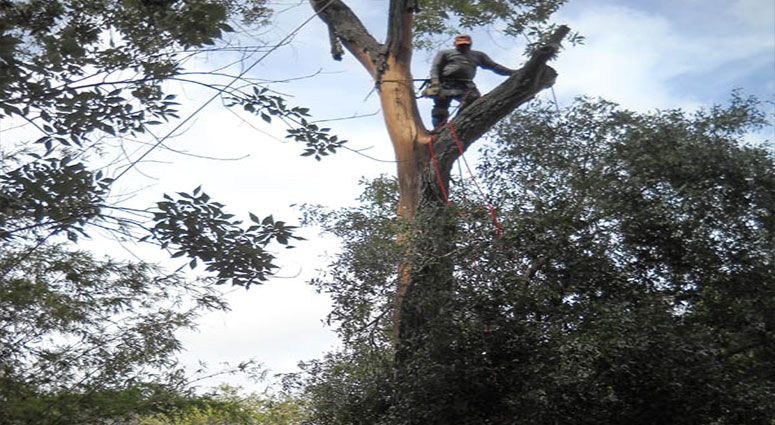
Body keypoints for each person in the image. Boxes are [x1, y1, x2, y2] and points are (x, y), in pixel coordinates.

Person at [426, 34, 516, 129]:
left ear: (470, 44)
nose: (463, 46)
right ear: (455, 44)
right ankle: (438, 129)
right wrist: (435, 82)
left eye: (465, 44)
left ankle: (457, 124)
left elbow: (494, 66)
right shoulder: (445, 53)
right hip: (445, 84)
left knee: (474, 102)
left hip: (465, 85)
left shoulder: (478, 55)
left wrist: (512, 72)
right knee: (440, 109)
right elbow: (435, 67)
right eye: (461, 44)